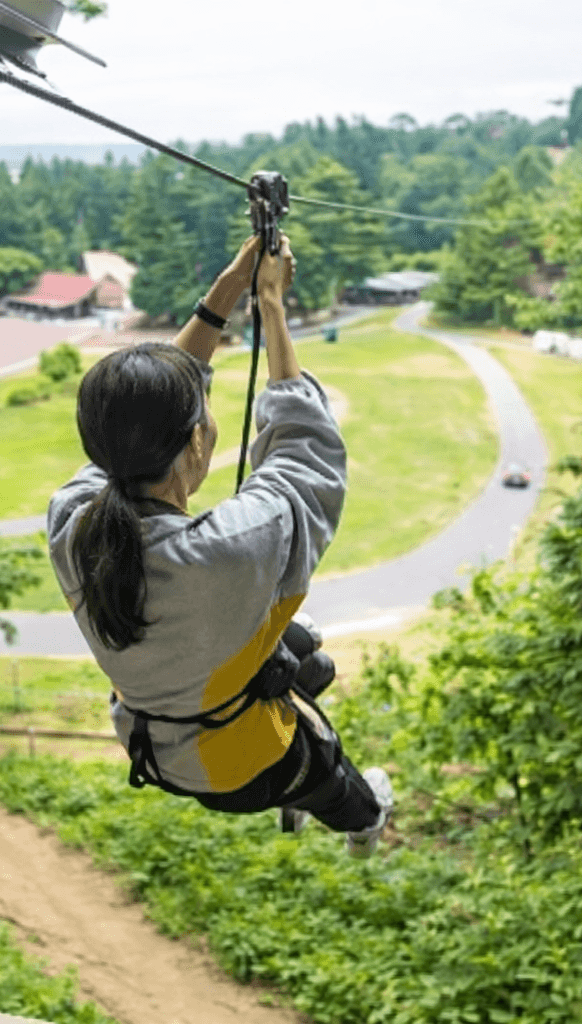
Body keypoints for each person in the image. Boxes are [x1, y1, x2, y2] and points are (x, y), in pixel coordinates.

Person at [47, 232, 393, 858]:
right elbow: (304, 449)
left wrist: (228, 291)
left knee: (307, 653)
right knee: (335, 778)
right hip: (241, 766)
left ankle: (316, 781)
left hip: (153, 743)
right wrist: (271, 306)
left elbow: (146, 406)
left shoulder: (72, 523)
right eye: (203, 414)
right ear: (197, 445)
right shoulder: (229, 551)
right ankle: (364, 827)